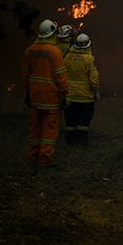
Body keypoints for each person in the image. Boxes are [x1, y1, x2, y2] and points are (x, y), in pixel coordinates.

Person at [22, 19, 70, 170]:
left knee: (35, 128)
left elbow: (25, 75)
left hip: (35, 96)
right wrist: (66, 94)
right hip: (51, 98)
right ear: (52, 33)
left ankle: (32, 158)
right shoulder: (55, 52)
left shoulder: (30, 50)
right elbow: (60, 76)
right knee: (49, 129)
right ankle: (45, 159)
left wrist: (28, 92)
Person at [63, 33, 99, 146]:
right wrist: (96, 91)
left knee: (70, 121)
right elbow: (94, 79)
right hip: (85, 98)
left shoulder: (67, 57)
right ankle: (81, 143)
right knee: (83, 122)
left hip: (70, 96)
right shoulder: (89, 59)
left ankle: (69, 143)